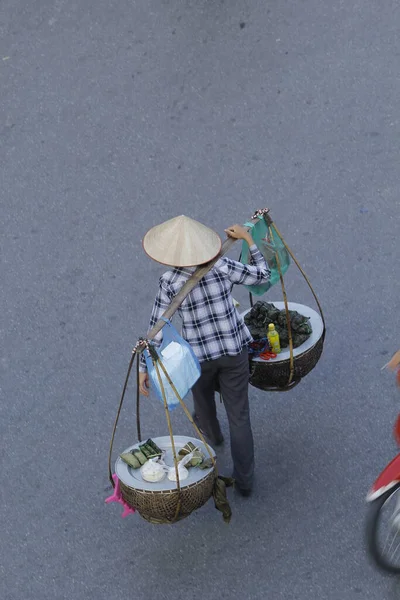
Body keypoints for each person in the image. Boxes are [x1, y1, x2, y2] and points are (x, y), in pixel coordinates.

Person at [138, 215, 271, 496]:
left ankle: (213, 438)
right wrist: (249, 239)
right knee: (240, 416)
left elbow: (156, 327)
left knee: (204, 404)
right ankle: (245, 482)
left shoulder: (169, 281)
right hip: (234, 350)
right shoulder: (221, 264)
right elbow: (262, 275)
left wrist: (142, 367)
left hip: (198, 357)